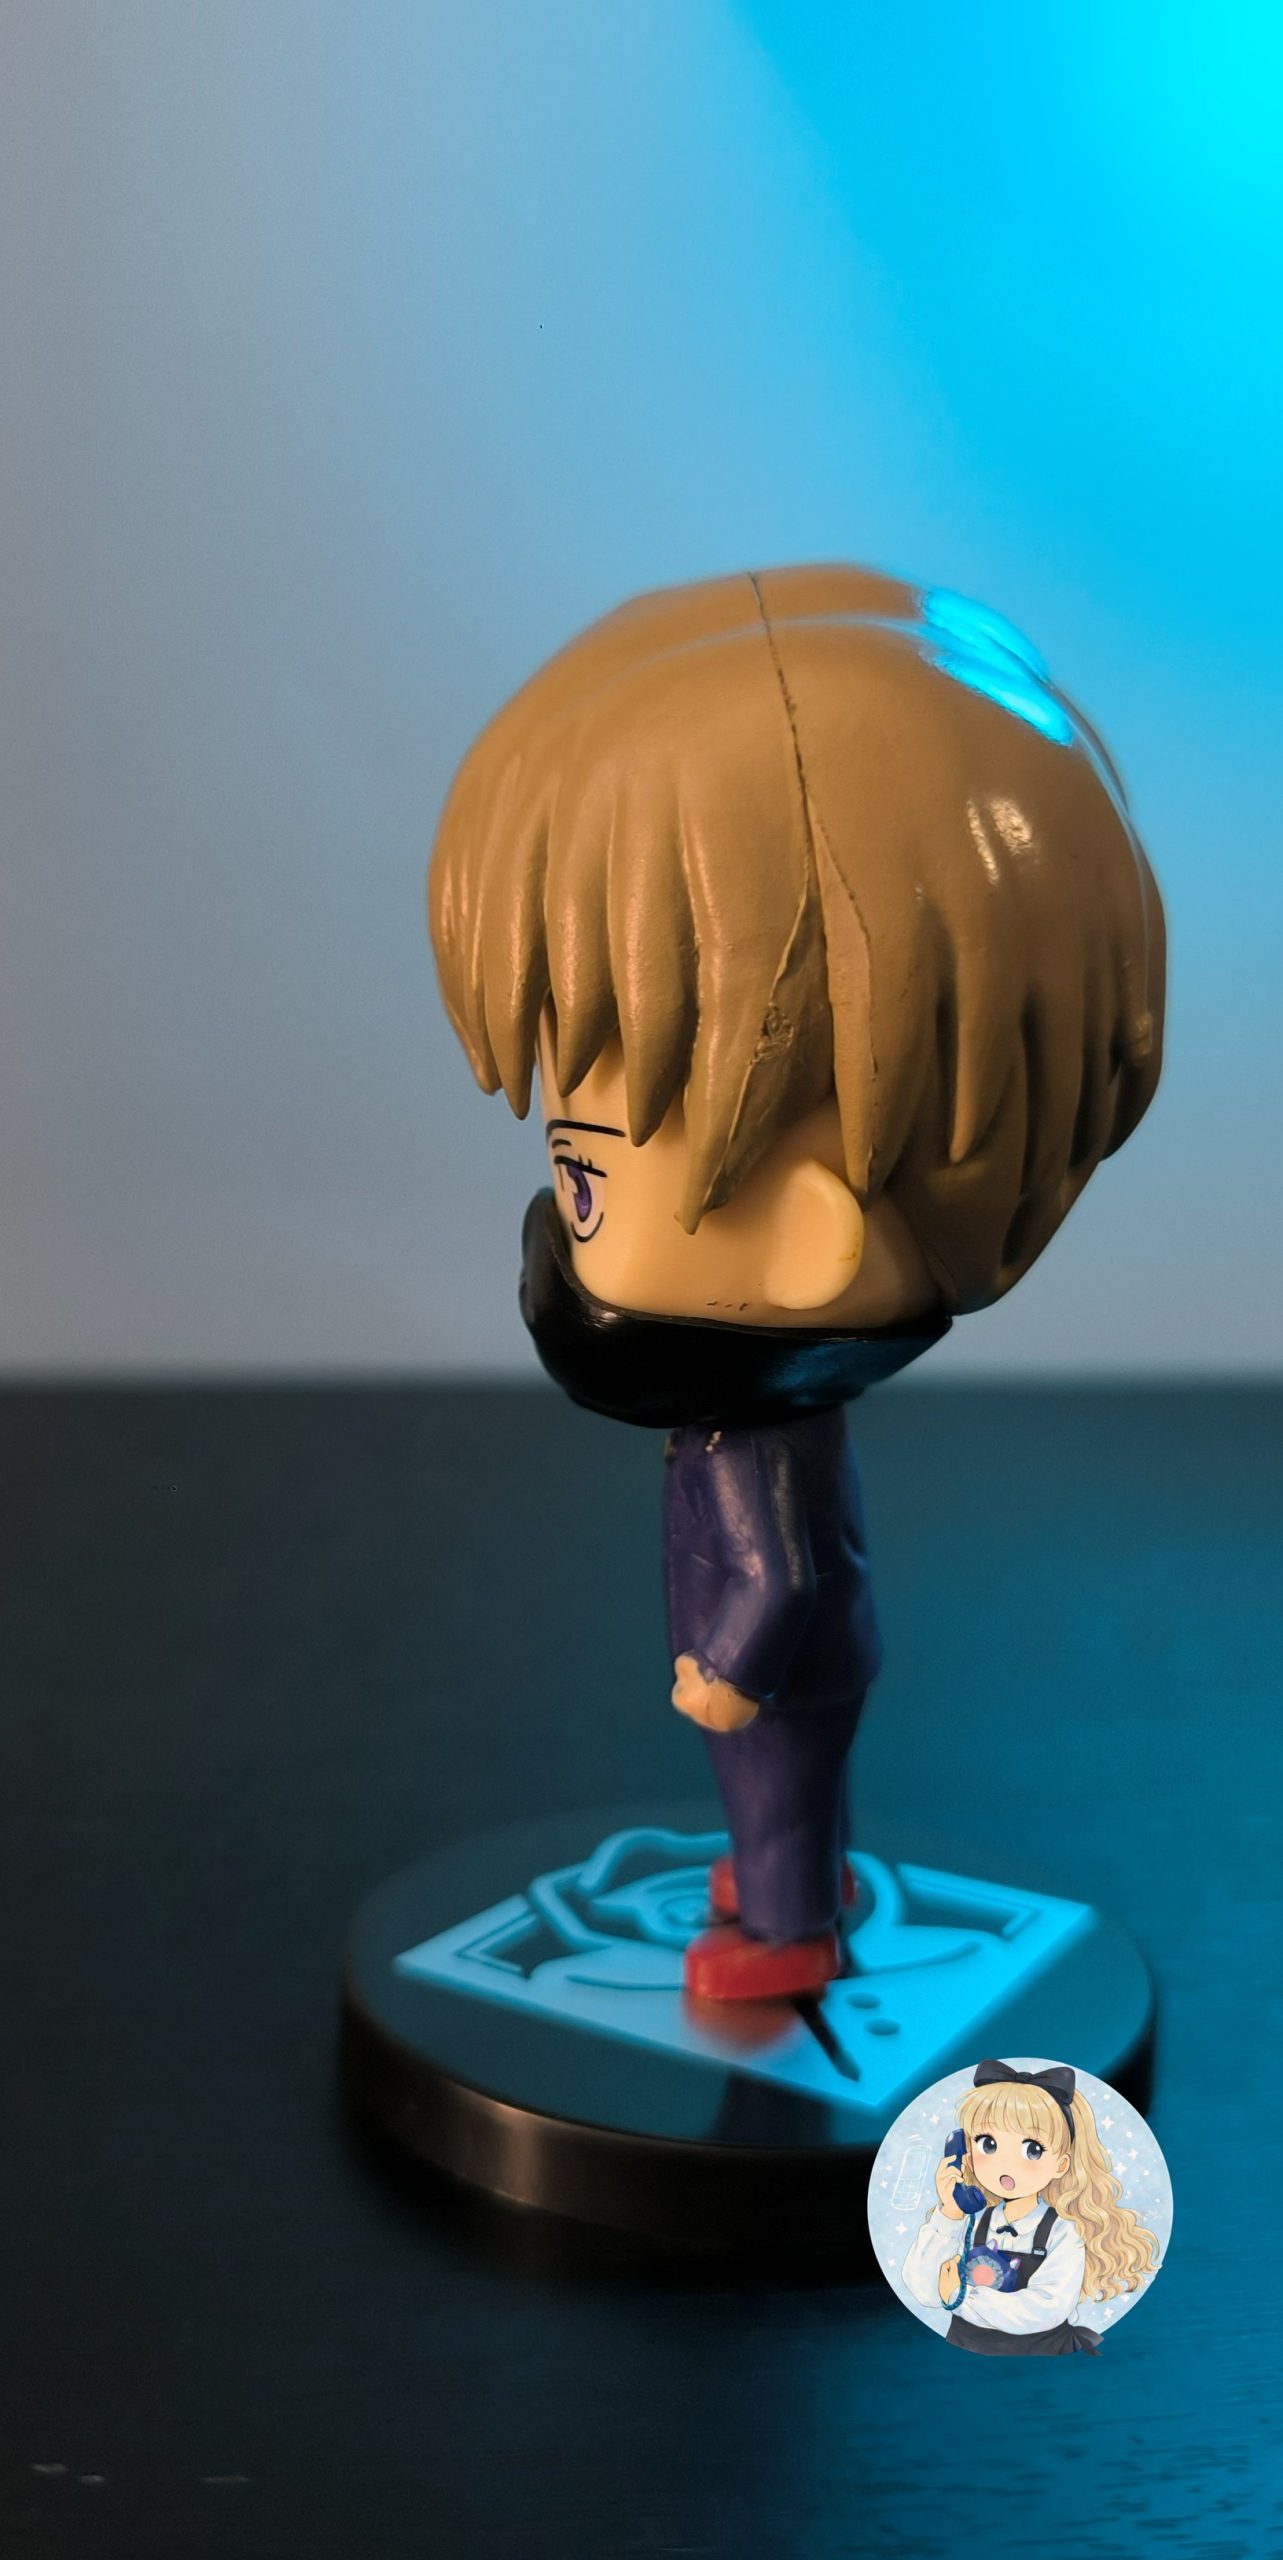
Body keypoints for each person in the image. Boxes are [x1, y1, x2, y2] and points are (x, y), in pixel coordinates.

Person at [428, 565, 1165, 1999]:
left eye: (584, 1181)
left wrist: (724, 1666)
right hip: (794, 1660)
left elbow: (772, 1569)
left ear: (805, 1243)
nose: (553, 1230)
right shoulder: (748, 1413)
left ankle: (785, 1932)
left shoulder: (749, 1440)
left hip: (778, 1664)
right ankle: (785, 1878)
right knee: (772, 1787)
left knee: (769, 1773)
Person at [902, 2060, 1160, 2355]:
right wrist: (949, 2213)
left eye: (1032, 2150)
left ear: (1061, 2164)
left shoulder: (1062, 2232)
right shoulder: (969, 2221)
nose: (1006, 2163)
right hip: (964, 2349)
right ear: (968, 2155)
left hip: (1043, 2353)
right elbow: (925, 2290)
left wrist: (962, 2298)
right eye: (988, 2144)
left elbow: (1046, 2308)